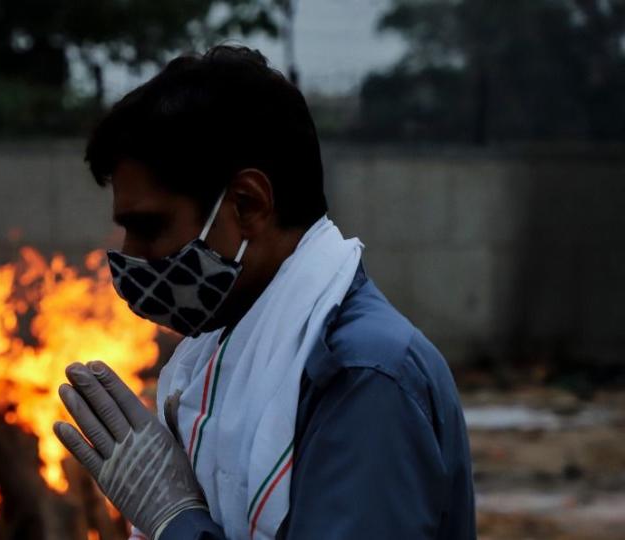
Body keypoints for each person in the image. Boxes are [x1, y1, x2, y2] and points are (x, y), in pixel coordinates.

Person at [53, 44, 476, 540]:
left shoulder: (363, 377)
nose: (131, 255)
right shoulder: (222, 348)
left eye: (149, 226)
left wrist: (177, 523)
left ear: (248, 204)